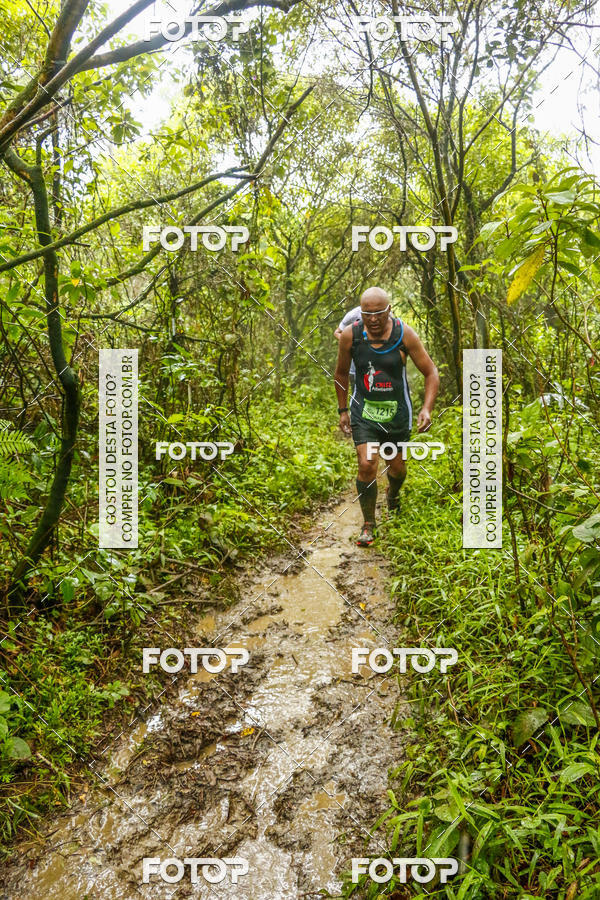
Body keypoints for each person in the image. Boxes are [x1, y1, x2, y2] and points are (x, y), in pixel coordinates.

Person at [334, 286, 439, 546]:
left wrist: (427, 408)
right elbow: (341, 373)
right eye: (367, 313)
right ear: (360, 312)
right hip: (364, 412)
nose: (373, 319)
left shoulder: (405, 334)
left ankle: (393, 495)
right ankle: (369, 524)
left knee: (397, 468)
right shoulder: (350, 336)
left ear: (389, 310)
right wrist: (343, 410)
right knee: (367, 463)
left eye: (378, 313)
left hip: (397, 414)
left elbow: (431, 372)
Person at [334, 304, 362, 392]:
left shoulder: (384, 313)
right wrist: (350, 342)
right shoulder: (353, 314)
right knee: (356, 391)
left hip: (375, 361)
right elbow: (337, 332)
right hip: (355, 363)